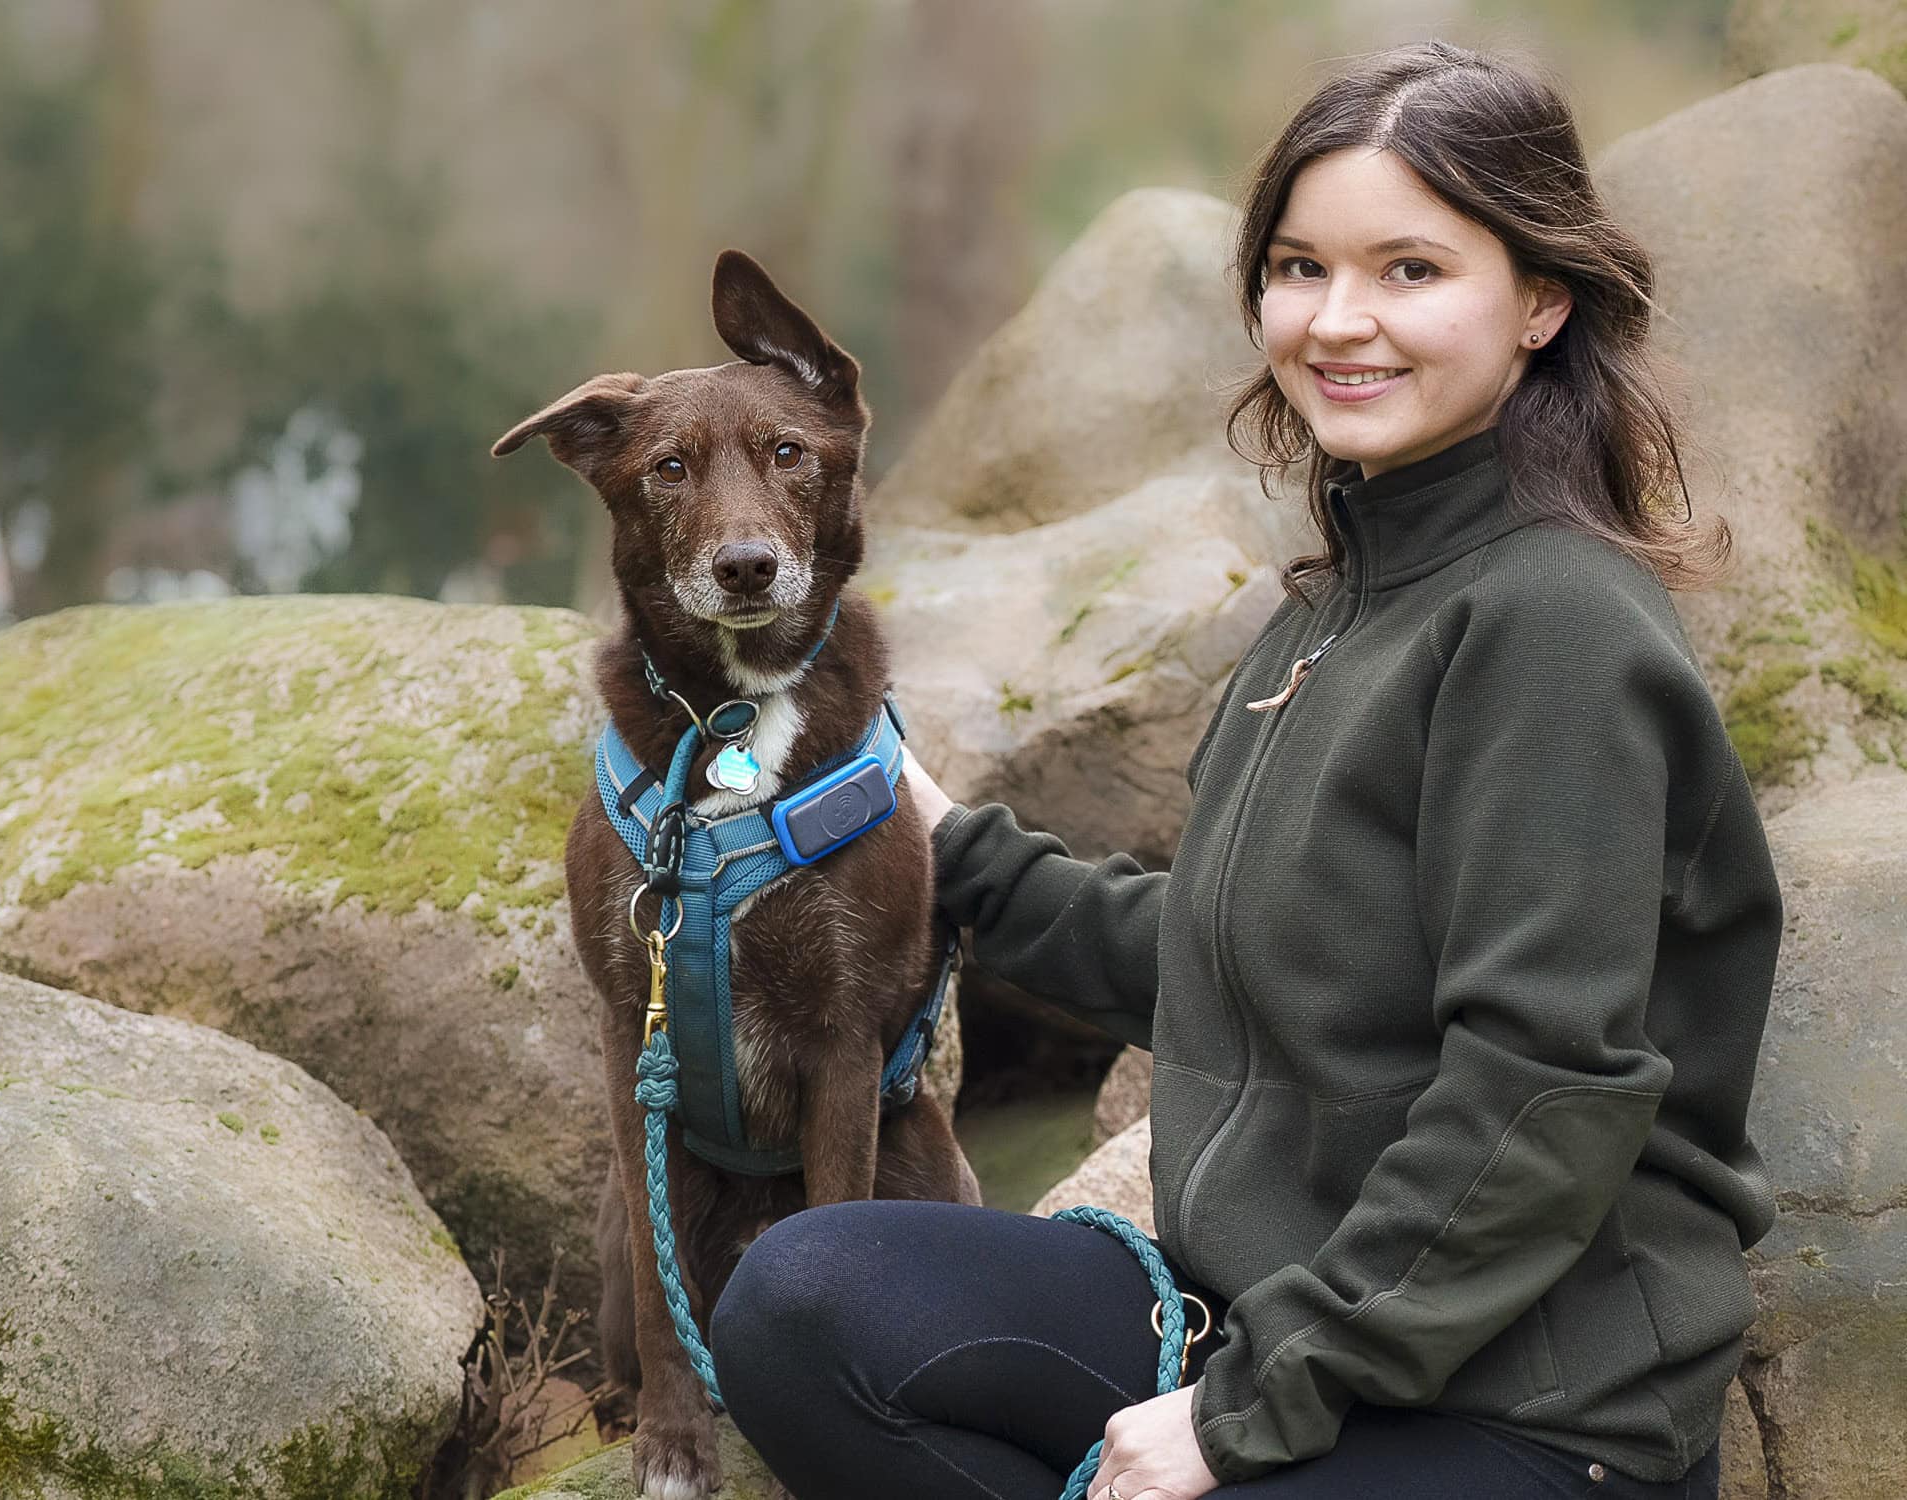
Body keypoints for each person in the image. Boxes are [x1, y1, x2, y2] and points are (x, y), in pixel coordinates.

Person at [707, 38, 1779, 1500]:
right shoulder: (1337, 605)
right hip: (1259, 1315)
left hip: (1528, 1407)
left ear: (1542, 299)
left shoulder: (1555, 628)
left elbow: (1543, 1090)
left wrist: (1245, 1412)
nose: (1339, 321)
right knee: (803, 1301)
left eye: (1410, 270)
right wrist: (954, 855)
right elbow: (1257, 953)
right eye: (1299, 266)